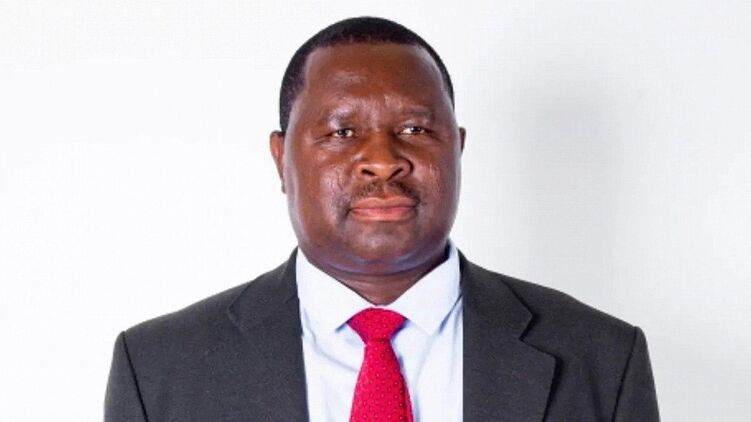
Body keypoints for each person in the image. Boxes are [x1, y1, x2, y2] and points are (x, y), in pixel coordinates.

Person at [105, 17, 659, 421]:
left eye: (415, 130)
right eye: (342, 132)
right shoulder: (159, 370)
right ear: (281, 160)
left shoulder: (601, 359)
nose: (383, 160)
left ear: (457, 149)